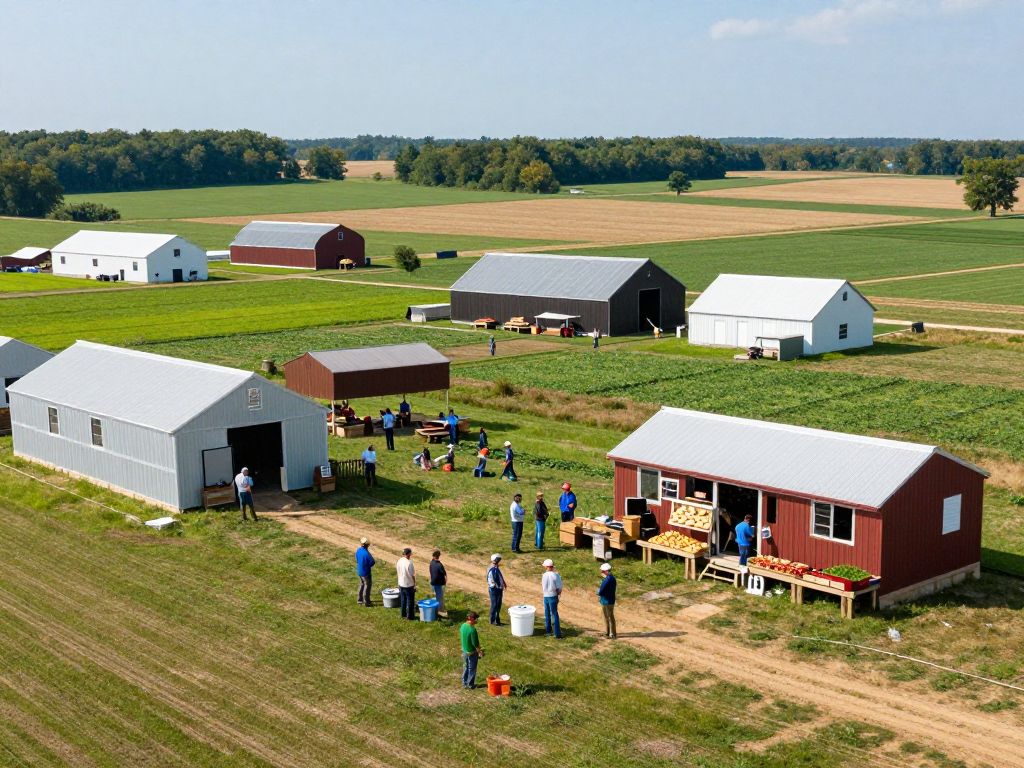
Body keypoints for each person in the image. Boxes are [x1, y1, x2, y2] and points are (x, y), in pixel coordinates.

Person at [460, 611, 484, 689]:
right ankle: (470, 685)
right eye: (476, 618)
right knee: (472, 668)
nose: (477, 620)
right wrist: (480, 652)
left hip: (464, 650)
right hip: (472, 652)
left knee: (466, 666)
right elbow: (475, 644)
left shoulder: (463, 625)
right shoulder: (472, 630)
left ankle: (464, 682)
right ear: (471, 619)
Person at [541, 559, 563, 638]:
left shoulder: (544, 575)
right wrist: (558, 594)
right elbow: (559, 588)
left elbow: (543, 586)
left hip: (545, 596)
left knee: (547, 613)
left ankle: (548, 631)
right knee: (554, 614)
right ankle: (557, 633)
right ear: (552, 566)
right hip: (553, 596)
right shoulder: (556, 575)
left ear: (546, 567)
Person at [597, 562, 617, 639]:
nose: (601, 572)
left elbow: (601, 591)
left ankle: (610, 634)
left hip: (606, 601)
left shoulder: (607, 579)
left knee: (607, 617)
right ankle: (611, 633)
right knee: (610, 617)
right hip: (611, 600)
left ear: (606, 571)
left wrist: (598, 592)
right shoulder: (612, 578)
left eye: (602, 571)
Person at [486, 554, 506, 626]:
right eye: (498, 559)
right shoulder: (493, 569)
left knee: (498, 605)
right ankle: (493, 621)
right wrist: (499, 586)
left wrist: (503, 583)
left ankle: (497, 620)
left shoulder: (494, 567)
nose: (499, 561)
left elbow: (499, 576)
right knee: (495, 605)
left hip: (497, 589)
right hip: (494, 589)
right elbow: (494, 579)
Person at [355, 537, 375, 607]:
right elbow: (372, 562)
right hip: (366, 573)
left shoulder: (358, 550)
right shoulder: (366, 553)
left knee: (361, 585)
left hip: (359, 571)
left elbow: (357, 559)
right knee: (367, 586)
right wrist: (367, 566)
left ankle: (359, 600)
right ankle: (367, 602)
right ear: (368, 545)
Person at [397, 548, 416, 620]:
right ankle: (410, 616)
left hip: (401, 583)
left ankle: (403, 614)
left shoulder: (399, 560)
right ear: (409, 554)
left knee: (403, 600)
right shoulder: (409, 563)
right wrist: (414, 584)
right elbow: (412, 575)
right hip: (408, 585)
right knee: (410, 601)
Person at [429, 549, 447, 616]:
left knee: (435, 596)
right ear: (439, 556)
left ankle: (435, 608)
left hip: (432, 582)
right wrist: (445, 582)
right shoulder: (439, 565)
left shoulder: (431, 563)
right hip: (439, 584)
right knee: (440, 598)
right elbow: (444, 574)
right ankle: (440, 611)